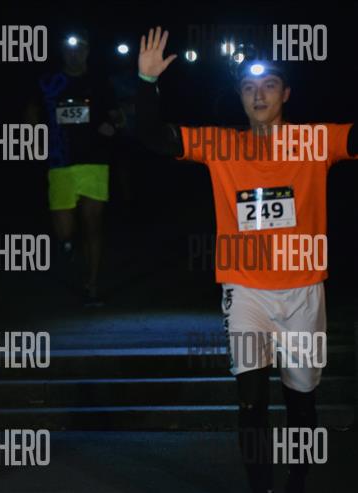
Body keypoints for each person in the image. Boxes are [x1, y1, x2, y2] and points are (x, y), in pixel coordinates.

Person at [136, 26, 356, 493]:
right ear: (239, 95)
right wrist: (146, 82)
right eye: (249, 87)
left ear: (286, 93)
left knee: (301, 400)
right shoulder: (222, 145)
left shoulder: (315, 141)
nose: (259, 95)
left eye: (269, 85)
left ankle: (297, 480)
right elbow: (155, 137)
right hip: (245, 290)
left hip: (303, 290)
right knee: (251, 400)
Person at [27, 29, 117, 306]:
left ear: (87, 51)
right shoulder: (49, 82)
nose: (74, 53)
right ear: (63, 52)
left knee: (93, 225)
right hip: (60, 162)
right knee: (65, 231)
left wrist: (113, 124)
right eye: (69, 49)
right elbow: (32, 111)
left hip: (94, 161)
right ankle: (70, 245)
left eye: (80, 48)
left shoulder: (99, 82)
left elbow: (118, 114)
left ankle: (92, 285)